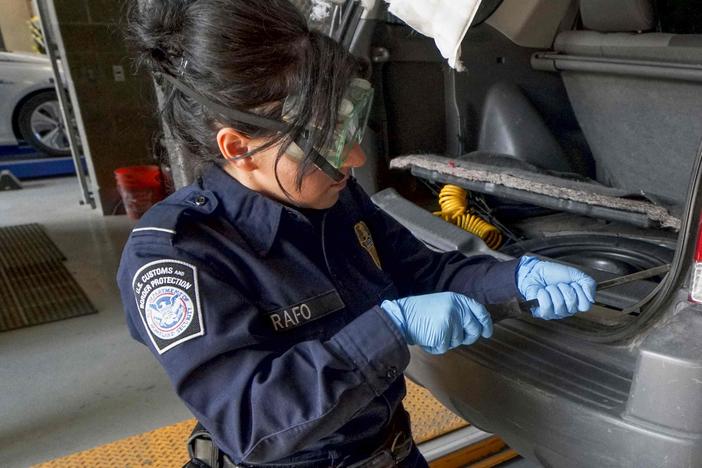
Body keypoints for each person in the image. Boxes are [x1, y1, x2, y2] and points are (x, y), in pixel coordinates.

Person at [117, 1, 597, 466]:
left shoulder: (331, 198)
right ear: (239, 146)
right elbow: (252, 422)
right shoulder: (177, 256)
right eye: (324, 140)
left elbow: (424, 272)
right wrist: (391, 327)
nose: (354, 159)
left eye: (347, 128)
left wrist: (515, 279)